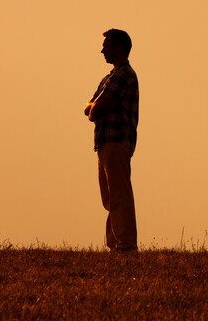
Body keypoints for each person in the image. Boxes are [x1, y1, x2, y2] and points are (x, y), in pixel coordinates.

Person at [84, 29, 139, 252]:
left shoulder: (123, 74)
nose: (102, 50)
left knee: (118, 195)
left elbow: (94, 109)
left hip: (116, 140)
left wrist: (95, 107)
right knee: (110, 197)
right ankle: (116, 243)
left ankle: (126, 244)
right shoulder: (110, 76)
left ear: (119, 48)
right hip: (105, 142)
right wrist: (95, 107)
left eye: (107, 46)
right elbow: (90, 106)